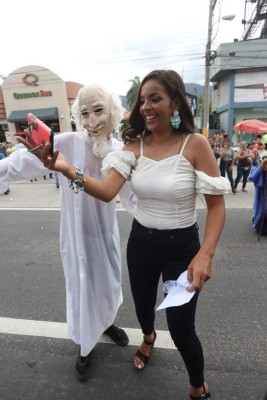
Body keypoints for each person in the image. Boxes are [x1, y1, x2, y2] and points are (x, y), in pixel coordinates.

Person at [25, 70, 231, 399]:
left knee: (181, 330)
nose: (146, 106)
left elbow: (217, 206)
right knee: (143, 308)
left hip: (182, 249)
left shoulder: (196, 144)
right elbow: (107, 191)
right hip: (141, 245)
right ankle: (147, 336)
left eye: (156, 99)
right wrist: (66, 168)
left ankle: (197, 386)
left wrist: (205, 253)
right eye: (142, 100)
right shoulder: (134, 147)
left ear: (175, 103)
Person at [0, 84, 136, 382]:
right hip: (76, 236)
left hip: (105, 233)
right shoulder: (69, 142)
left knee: (108, 282)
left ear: (112, 111)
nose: (91, 120)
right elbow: (22, 163)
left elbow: (133, 197)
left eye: (98, 110)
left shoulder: (120, 152)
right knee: (83, 287)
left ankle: (106, 323)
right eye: (84, 113)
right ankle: (86, 346)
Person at [249, 133, 267, 236]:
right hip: (261, 202)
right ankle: (256, 218)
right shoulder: (258, 171)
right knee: (261, 228)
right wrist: (262, 165)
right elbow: (253, 178)